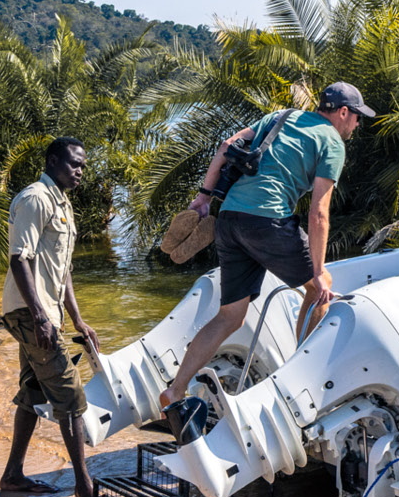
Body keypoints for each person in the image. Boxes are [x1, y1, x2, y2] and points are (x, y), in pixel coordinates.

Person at [158, 81, 376, 433]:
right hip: (267, 221)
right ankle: (298, 386)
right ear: (343, 113)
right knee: (320, 290)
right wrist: (318, 272)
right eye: (356, 119)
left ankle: (174, 391)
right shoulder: (332, 141)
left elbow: (227, 145)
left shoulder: (283, 116)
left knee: (230, 316)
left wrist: (203, 196)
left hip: (229, 219)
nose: (356, 126)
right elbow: (319, 212)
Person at [0, 137, 100, 497]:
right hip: (30, 313)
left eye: (83, 166)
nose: (80, 172)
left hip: (43, 315)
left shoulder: (62, 203)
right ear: (53, 161)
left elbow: (62, 271)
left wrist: (78, 319)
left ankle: (12, 476)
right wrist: (40, 315)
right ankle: (84, 489)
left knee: (33, 392)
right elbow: (19, 259)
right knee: (71, 398)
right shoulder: (36, 199)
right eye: (74, 164)